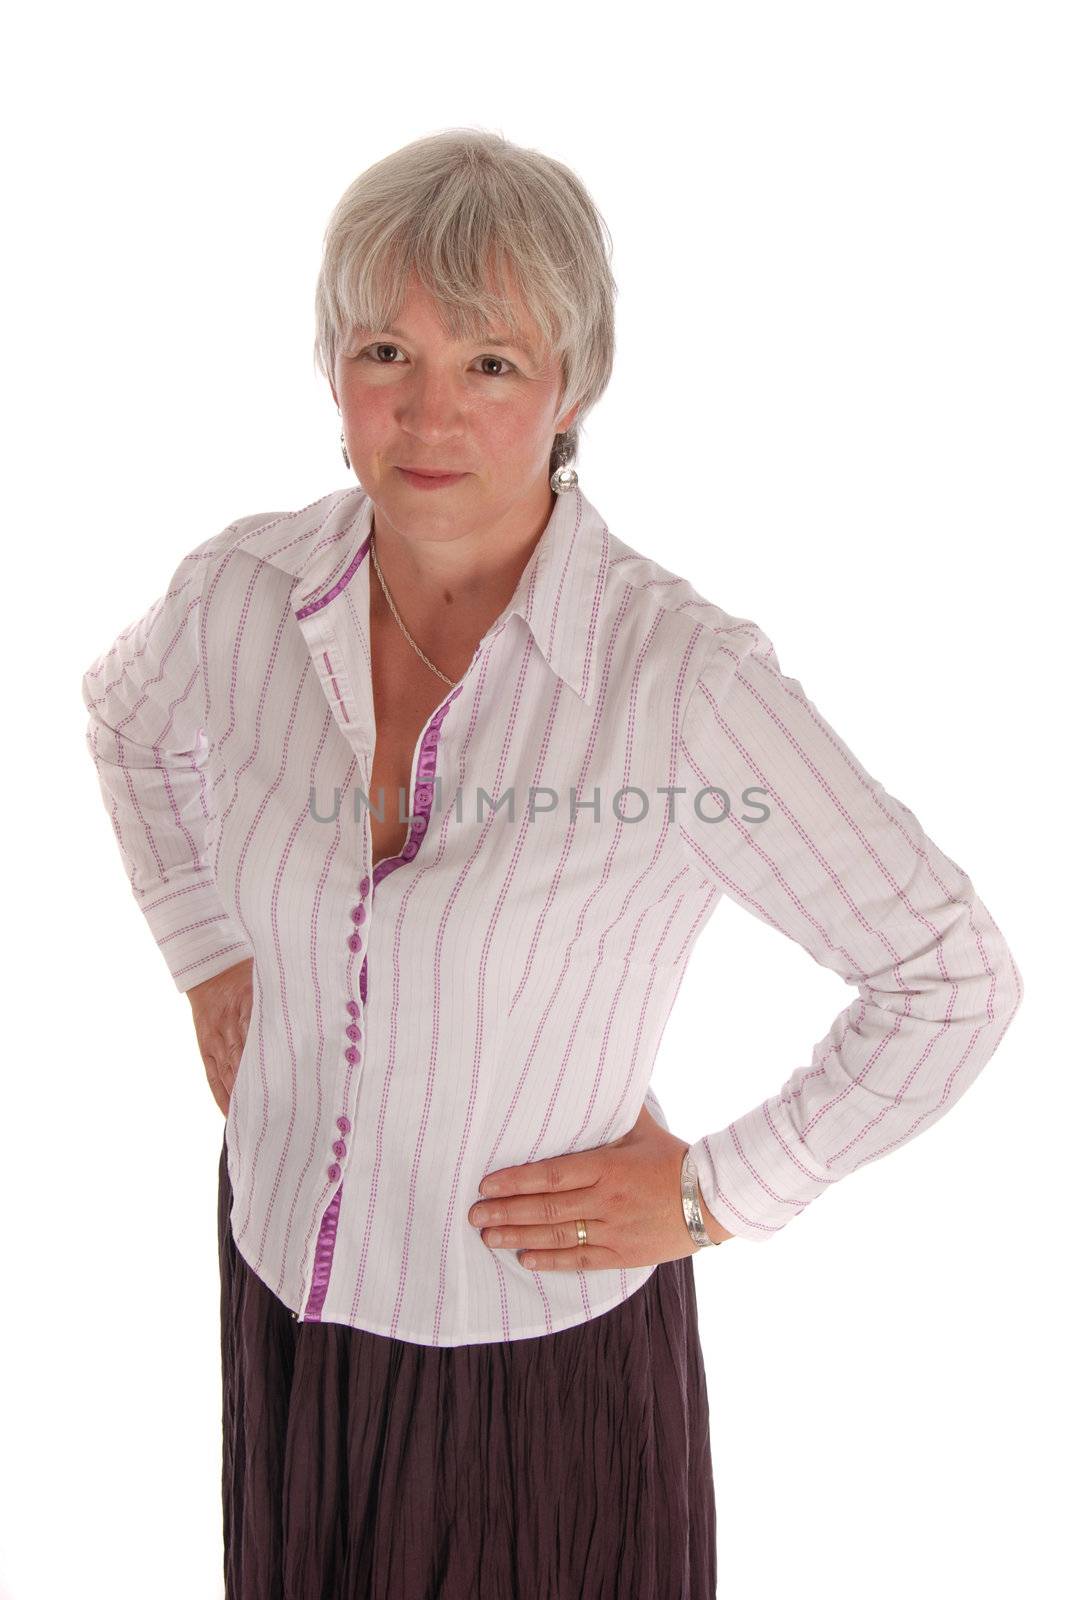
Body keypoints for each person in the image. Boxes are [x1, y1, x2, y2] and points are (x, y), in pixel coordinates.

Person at [81, 128, 1024, 1600]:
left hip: (530, 1373)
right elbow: (123, 722)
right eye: (388, 349)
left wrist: (724, 1191)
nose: (430, 411)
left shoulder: (679, 683)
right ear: (335, 377)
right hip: (283, 1294)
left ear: (572, 389)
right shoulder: (238, 595)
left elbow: (953, 975)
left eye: (494, 364)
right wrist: (204, 943)